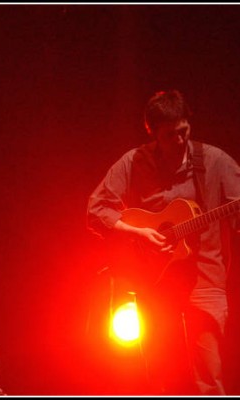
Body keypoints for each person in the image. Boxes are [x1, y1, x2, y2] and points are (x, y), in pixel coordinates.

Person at [87, 89, 240, 395]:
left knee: (209, 379)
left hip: (204, 281)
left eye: (183, 131)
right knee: (159, 377)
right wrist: (139, 233)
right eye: (170, 135)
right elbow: (96, 210)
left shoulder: (214, 161)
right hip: (153, 282)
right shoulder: (134, 162)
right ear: (152, 132)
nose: (180, 141)